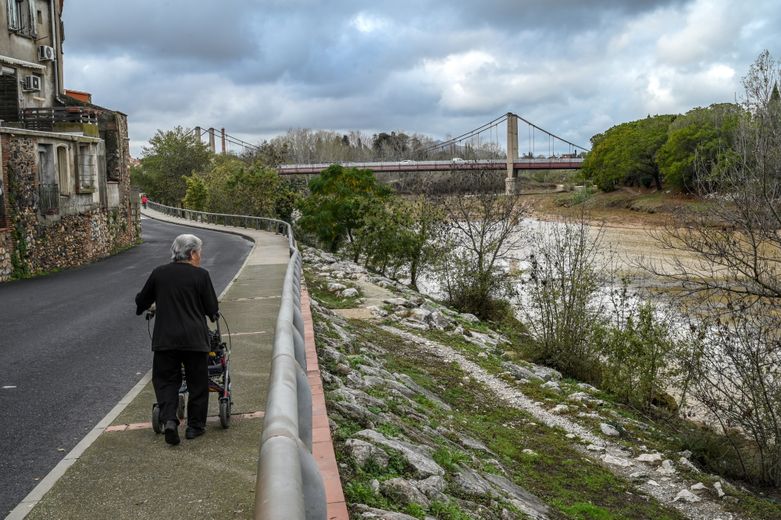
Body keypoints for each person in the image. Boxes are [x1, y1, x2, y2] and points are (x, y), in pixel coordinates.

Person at [135, 234, 219, 445]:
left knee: (165, 380)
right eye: (199, 253)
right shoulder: (201, 276)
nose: (200, 257)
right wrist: (211, 313)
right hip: (194, 339)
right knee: (198, 383)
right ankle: (194, 427)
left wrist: (152, 305)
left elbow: (141, 300)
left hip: (166, 339)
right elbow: (212, 309)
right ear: (192, 254)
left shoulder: (159, 274)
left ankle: (170, 420)